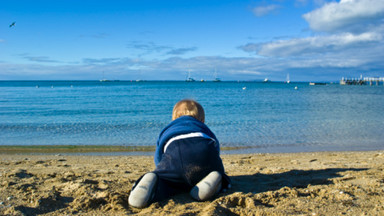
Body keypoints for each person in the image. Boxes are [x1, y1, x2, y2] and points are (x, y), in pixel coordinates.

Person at [128, 99, 231, 208]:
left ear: (174, 118)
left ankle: (155, 181)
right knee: (219, 174)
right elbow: (215, 149)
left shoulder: (169, 129)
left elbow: (159, 155)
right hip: (205, 155)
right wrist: (214, 165)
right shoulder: (203, 128)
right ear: (202, 119)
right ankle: (212, 179)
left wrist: (159, 170)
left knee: (166, 182)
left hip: (176, 154)